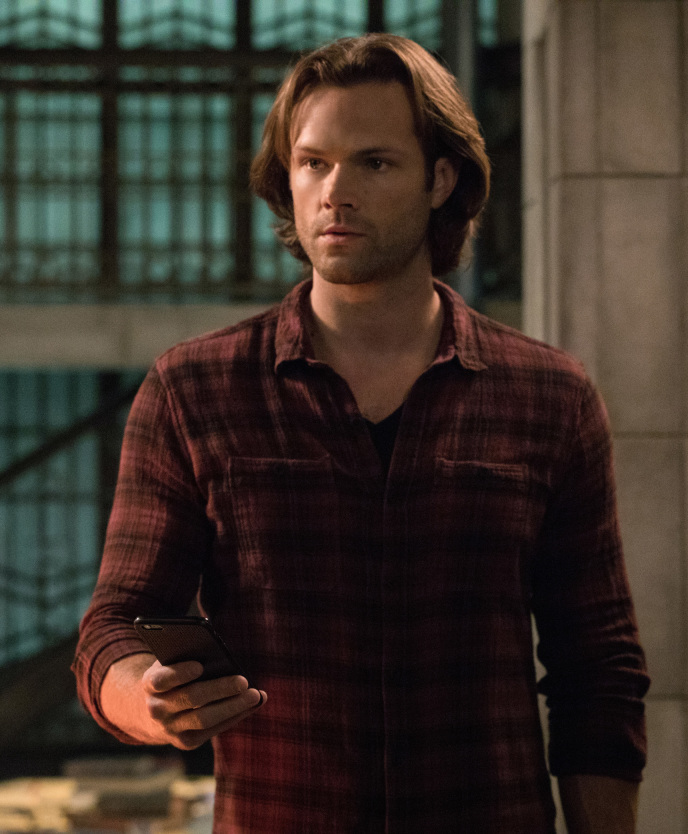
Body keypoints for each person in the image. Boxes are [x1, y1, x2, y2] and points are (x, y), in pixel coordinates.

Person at [74, 33, 649, 833]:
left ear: (440, 179)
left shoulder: (548, 396)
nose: (335, 192)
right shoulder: (194, 389)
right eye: (314, 163)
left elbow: (597, 669)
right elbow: (112, 627)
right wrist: (145, 696)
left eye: (374, 163)